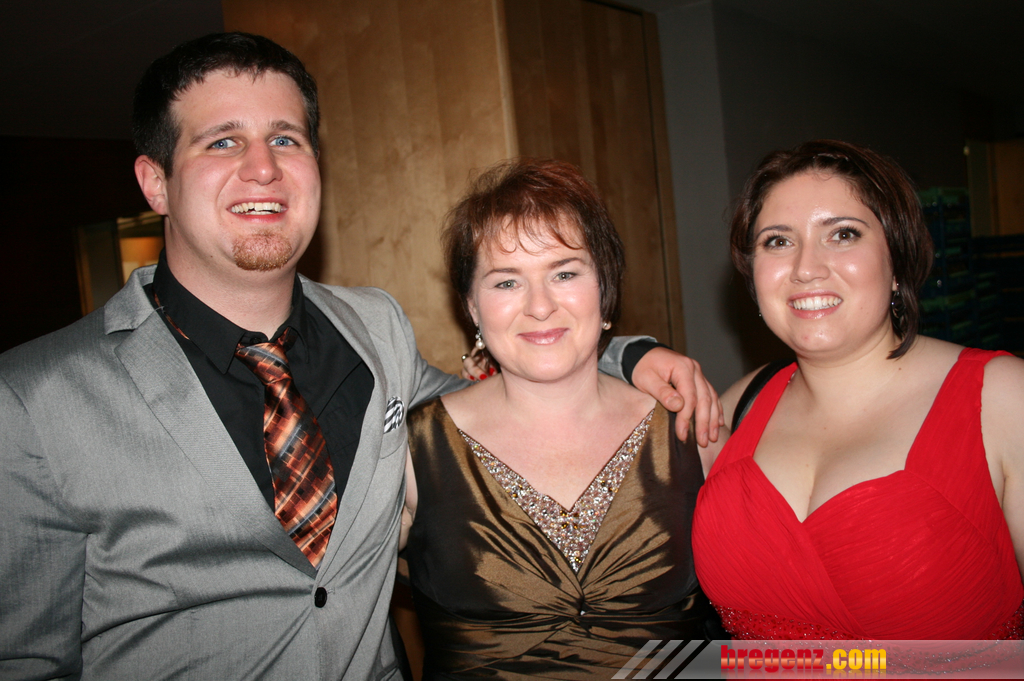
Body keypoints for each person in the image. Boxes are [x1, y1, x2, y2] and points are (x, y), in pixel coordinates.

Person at [0, 33, 721, 680]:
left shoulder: (376, 329)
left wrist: (626, 355)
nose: (262, 168)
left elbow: (515, 396)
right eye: (222, 142)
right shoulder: (32, 399)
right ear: (155, 182)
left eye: (286, 139)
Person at [691, 139, 1024, 639]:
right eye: (777, 242)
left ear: (897, 262)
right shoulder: (737, 405)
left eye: (843, 234)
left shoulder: (1001, 398)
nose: (806, 268)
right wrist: (635, 357)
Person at [400, 158, 719, 680]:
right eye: (507, 283)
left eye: (565, 273)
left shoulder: (693, 430)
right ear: (472, 307)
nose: (541, 306)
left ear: (605, 288)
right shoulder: (412, 453)